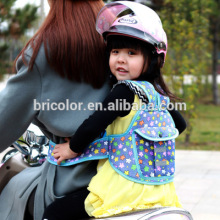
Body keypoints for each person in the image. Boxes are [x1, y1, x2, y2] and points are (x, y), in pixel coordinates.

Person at [42, 1, 187, 219]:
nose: (120, 59)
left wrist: (72, 148)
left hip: (122, 190)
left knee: (54, 213)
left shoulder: (125, 91)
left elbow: (94, 123)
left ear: (153, 60)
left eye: (131, 53)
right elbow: (180, 125)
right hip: (159, 191)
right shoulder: (158, 97)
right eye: (115, 51)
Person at [0, 1, 110, 220]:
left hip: (72, 181)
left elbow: (4, 123)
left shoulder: (44, 50)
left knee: (10, 187)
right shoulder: (120, 37)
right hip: (125, 178)